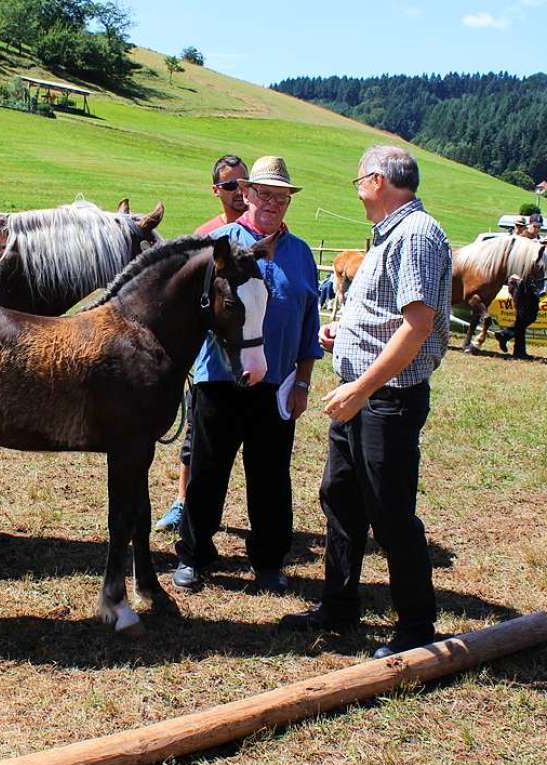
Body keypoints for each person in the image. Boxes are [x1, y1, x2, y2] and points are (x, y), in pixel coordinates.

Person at [280, 145, 452, 659]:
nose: (355, 186)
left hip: (384, 401)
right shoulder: (389, 236)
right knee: (341, 499)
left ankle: (417, 625)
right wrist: (344, 332)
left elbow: (418, 326)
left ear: (377, 180)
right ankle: (339, 605)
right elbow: (387, 316)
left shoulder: (417, 235)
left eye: (359, 178)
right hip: (361, 396)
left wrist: (361, 388)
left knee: (390, 512)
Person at [171, 156, 323, 595]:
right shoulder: (217, 245)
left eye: (282, 196)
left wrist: (303, 381)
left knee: (272, 476)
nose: (272, 203)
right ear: (247, 194)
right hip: (219, 380)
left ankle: (270, 562)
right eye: (264, 193)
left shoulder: (301, 255)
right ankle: (194, 556)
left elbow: (309, 325)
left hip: (277, 386)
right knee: (206, 471)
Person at [154, 154, 249, 532]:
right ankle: (182, 502)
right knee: (196, 433)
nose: (238, 192)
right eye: (230, 185)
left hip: (248, 352)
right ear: (216, 191)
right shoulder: (205, 237)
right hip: (210, 356)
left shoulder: (265, 231)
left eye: (244, 183)